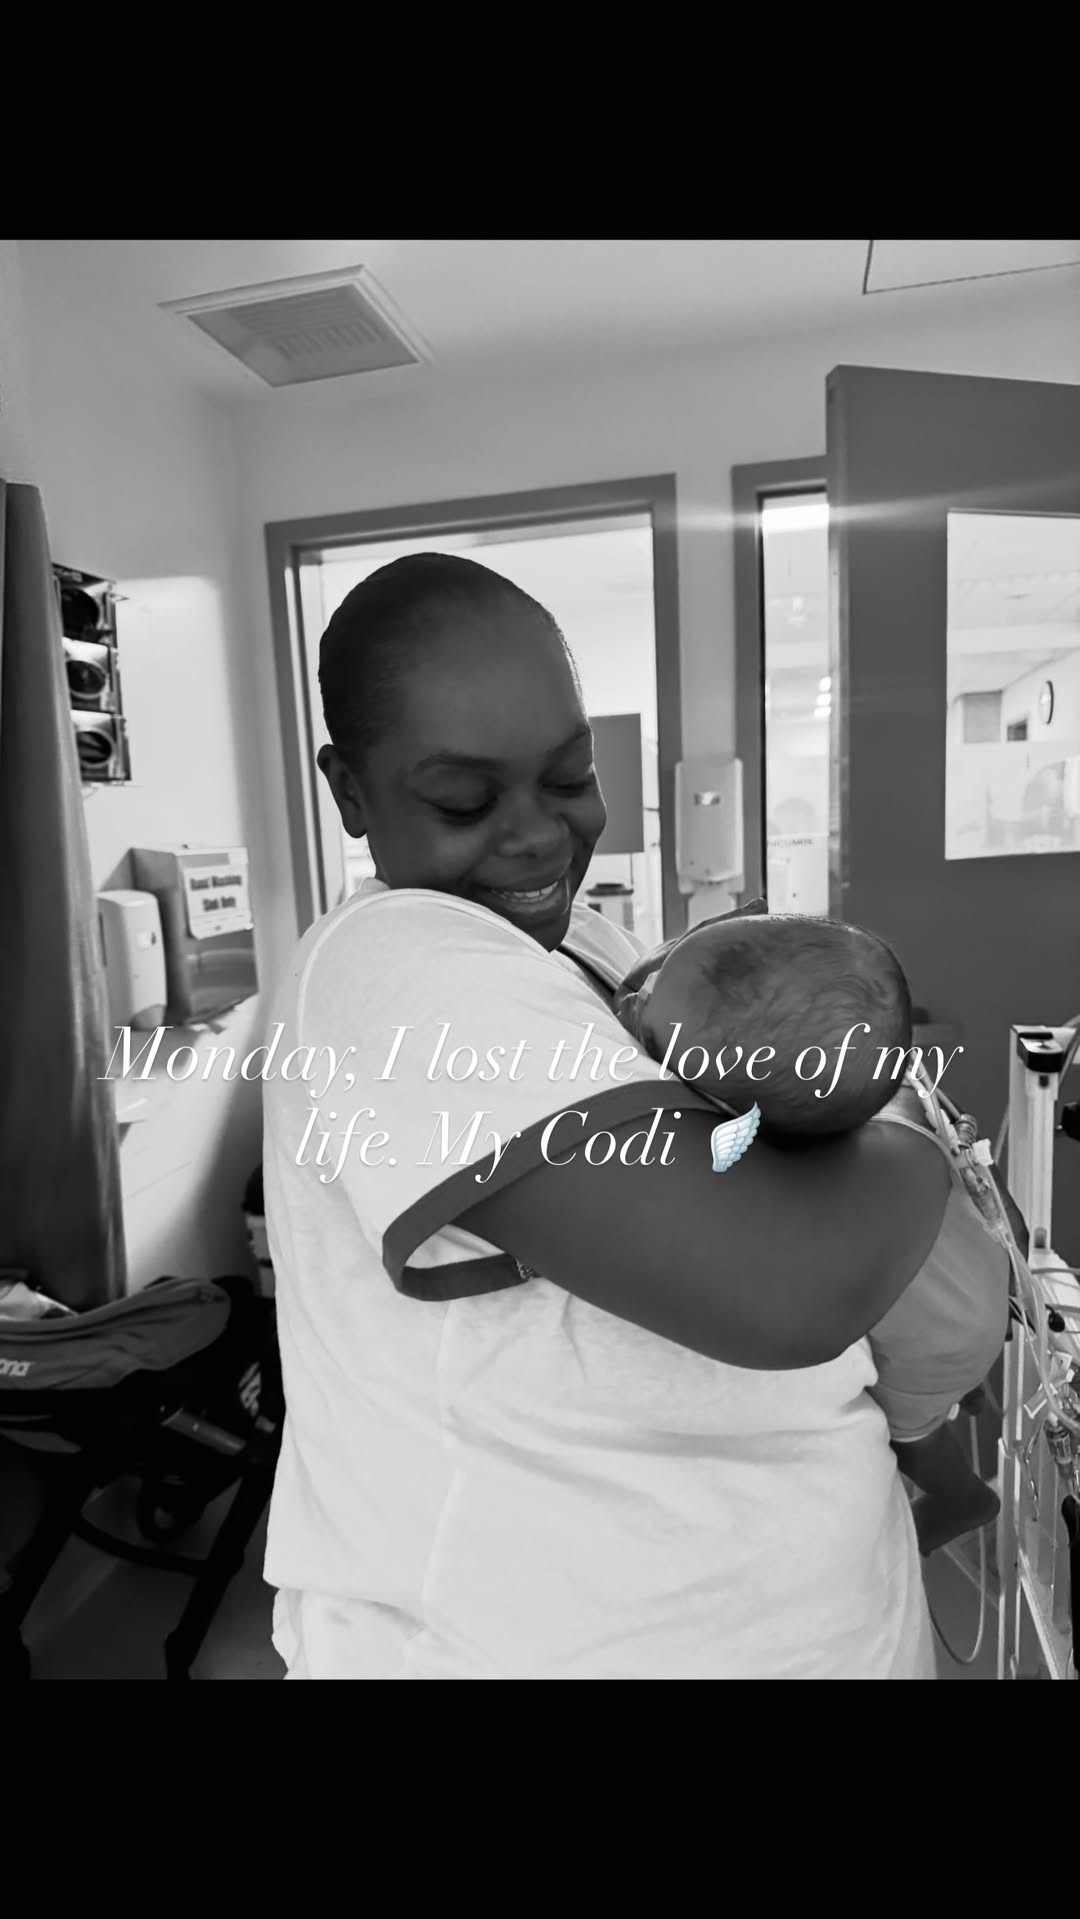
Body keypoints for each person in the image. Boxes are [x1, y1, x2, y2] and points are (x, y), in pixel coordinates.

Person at [262, 552, 954, 1680]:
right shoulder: (386, 963)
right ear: (349, 792)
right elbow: (786, 1285)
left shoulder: (594, 946)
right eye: (463, 800)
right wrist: (912, 1133)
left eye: (570, 774)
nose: (538, 835)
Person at [612, 911, 1009, 1559]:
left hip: (942, 1335)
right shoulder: (883, 1100)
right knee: (954, 1361)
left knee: (914, 1436)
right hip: (975, 1277)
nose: (632, 1001)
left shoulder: (768, 1158)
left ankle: (964, 1499)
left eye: (649, 1018)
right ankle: (964, 1388)